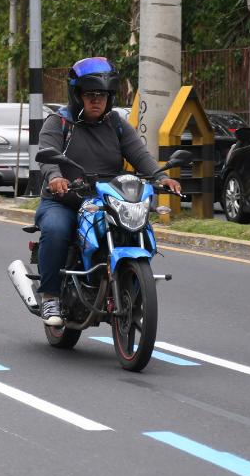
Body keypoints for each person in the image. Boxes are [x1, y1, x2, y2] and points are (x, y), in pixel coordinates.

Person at [34, 56, 182, 326]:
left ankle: (129, 285)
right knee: (56, 229)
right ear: (77, 95)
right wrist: (55, 177)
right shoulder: (59, 122)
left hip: (107, 200)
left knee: (136, 228)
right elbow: (47, 157)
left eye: (102, 95)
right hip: (65, 201)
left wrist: (161, 177)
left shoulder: (115, 124)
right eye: (90, 94)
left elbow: (139, 154)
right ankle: (51, 296)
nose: (96, 100)